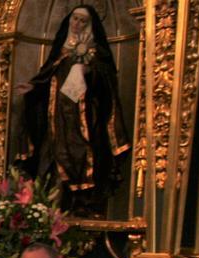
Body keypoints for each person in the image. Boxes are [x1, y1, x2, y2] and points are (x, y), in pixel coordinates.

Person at [16, 5, 130, 216]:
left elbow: (106, 87)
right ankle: (48, 208)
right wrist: (33, 88)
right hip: (56, 121)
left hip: (83, 121)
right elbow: (47, 77)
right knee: (49, 161)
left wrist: (88, 71)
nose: (77, 24)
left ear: (90, 25)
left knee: (82, 158)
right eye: (75, 19)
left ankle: (81, 205)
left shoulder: (96, 54)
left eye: (82, 21)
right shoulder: (62, 52)